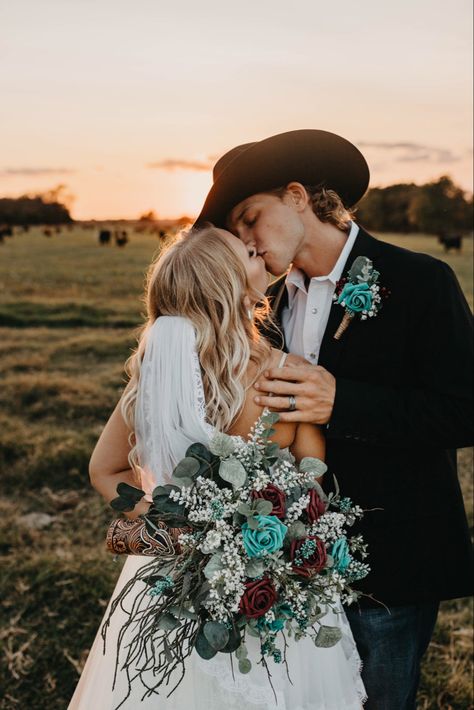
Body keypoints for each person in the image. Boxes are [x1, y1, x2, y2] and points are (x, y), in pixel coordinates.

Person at [193, 128, 474, 709]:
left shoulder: (421, 281)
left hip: (393, 561)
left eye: (250, 218)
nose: (244, 242)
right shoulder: (263, 306)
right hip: (286, 563)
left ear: (297, 196)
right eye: (234, 233)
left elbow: (464, 410)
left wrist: (343, 402)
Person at [68, 226, 367, 709]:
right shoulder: (287, 372)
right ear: (233, 288)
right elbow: (312, 472)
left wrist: (187, 533)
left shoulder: (155, 377)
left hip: (176, 577)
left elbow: (105, 471)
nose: (262, 255)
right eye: (250, 254)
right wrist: (262, 533)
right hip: (271, 577)